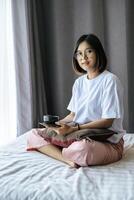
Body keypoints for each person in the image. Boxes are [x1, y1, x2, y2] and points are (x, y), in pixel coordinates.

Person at [27, 33, 125, 168]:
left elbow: (107, 121)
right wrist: (56, 125)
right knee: (33, 134)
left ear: (98, 53)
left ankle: (61, 150)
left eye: (88, 51)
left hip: (107, 142)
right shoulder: (79, 83)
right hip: (78, 135)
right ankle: (67, 159)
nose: (83, 58)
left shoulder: (110, 80)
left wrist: (75, 128)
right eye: (79, 54)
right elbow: (73, 115)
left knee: (83, 149)